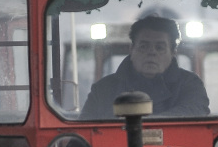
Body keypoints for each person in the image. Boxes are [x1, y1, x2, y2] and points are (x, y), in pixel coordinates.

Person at [79, 16, 210, 120]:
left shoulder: (190, 85)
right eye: (143, 46)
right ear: (131, 49)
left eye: (159, 47)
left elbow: (195, 113)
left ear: (173, 52)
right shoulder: (103, 90)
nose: (151, 52)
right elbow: (84, 133)